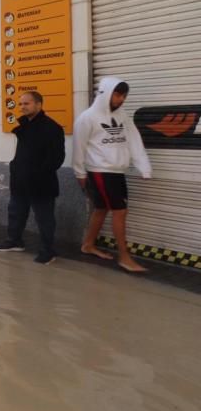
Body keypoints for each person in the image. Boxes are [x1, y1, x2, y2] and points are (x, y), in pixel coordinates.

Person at [73, 77, 152, 273]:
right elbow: (78, 147)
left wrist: (144, 165)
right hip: (100, 171)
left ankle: (88, 244)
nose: (121, 99)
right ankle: (124, 257)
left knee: (101, 209)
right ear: (105, 93)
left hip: (117, 171)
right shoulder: (87, 118)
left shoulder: (123, 116)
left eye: (124, 95)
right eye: (118, 95)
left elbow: (134, 140)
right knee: (120, 212)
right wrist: (79, 172)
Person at [0, 91, 65, 264]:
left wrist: (38, 174)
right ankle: (15, 241)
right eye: (21, 104)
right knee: (16, 212)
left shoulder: (52, 127)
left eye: (27, 103)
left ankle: (48, 251)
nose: (22, 107)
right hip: (20, 181)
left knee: (44, 218)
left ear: (39, 105)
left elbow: (57, 158)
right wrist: (16, 168)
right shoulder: (25, 125)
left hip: (41, 184)